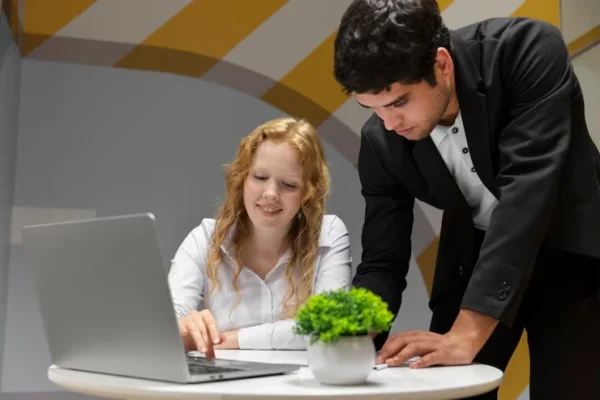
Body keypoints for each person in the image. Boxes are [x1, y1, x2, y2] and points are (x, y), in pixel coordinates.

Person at [333, 1, 600, 398]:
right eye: (370, 108)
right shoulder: (381, 141)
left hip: (572, 256)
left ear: (441, 65)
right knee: (446, 390)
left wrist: (467, 333)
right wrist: (356, 328)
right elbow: (383, 259)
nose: (389, 124)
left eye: (398, 102)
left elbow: (526, 194)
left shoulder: (526, 51)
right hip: (474, 261)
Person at [167, 117, 352, 359]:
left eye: (288, 184)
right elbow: (167, 326)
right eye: (260, 177)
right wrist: (183, 325)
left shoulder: (329, 234)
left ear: (308, 193)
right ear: (242, 179)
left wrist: (231, 339)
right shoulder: (204, 238)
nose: (271, 193)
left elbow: (329, 327)